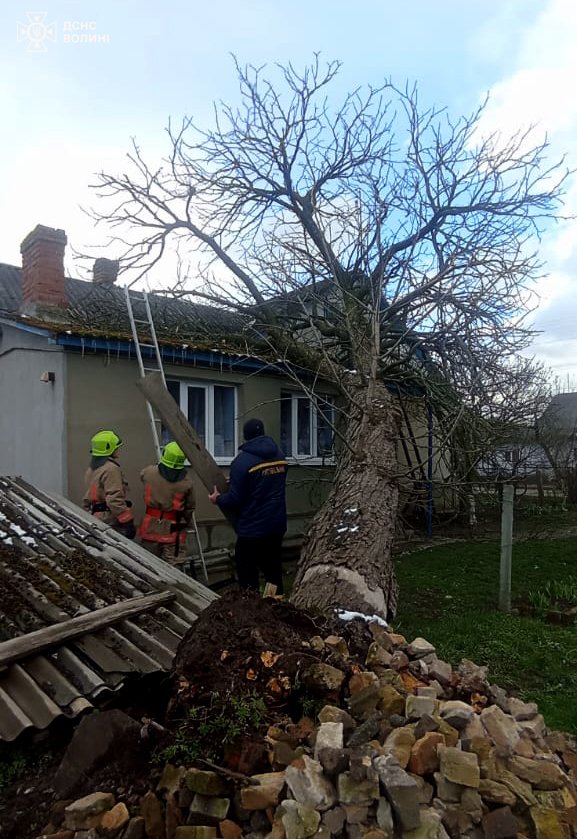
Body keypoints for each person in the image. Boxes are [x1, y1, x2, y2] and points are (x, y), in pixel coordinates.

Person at [209, 418, 288, 593]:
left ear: (245, 436)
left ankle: (251, 606)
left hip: (253, 528)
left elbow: (235, 499)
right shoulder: (280, 457)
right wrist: (241, 482)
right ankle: (274, 606)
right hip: (276, 524)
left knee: (246, 569)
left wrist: (218, 499)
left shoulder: (241, 462)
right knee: (272, 569)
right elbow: (266, 484)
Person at [139, 441, 196, 565]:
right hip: (174, 530)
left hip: (150, 527)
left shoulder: (148, 473)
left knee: (148, 565)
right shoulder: (186, 483)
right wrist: (186, 521)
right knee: (174, 568)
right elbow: (190, 507)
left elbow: (143, 477)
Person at [83, 430, 136, 539]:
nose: (118, 450)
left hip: (95, 517)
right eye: (116, 447)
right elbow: (114, 499)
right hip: (109, 520)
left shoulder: (92, 468)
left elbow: (87, 497)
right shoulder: (111, 469)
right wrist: (127, 521)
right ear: (110, 449)